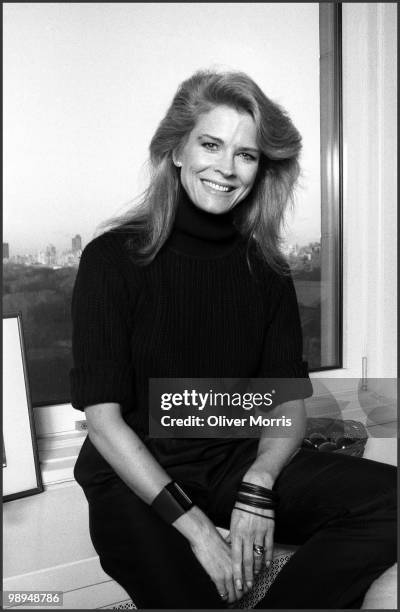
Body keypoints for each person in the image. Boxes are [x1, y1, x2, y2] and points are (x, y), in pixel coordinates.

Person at [70, 69, 396, 609]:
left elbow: (285, 407)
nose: (226, 168)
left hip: (228, 460)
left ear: (261, 167)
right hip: (132, 476)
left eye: (245, 154)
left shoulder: (266, 270)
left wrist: (259, 483)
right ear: (177, 150)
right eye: (211, 144)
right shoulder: (111, 260)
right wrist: (201, 533)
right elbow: (103, 424)